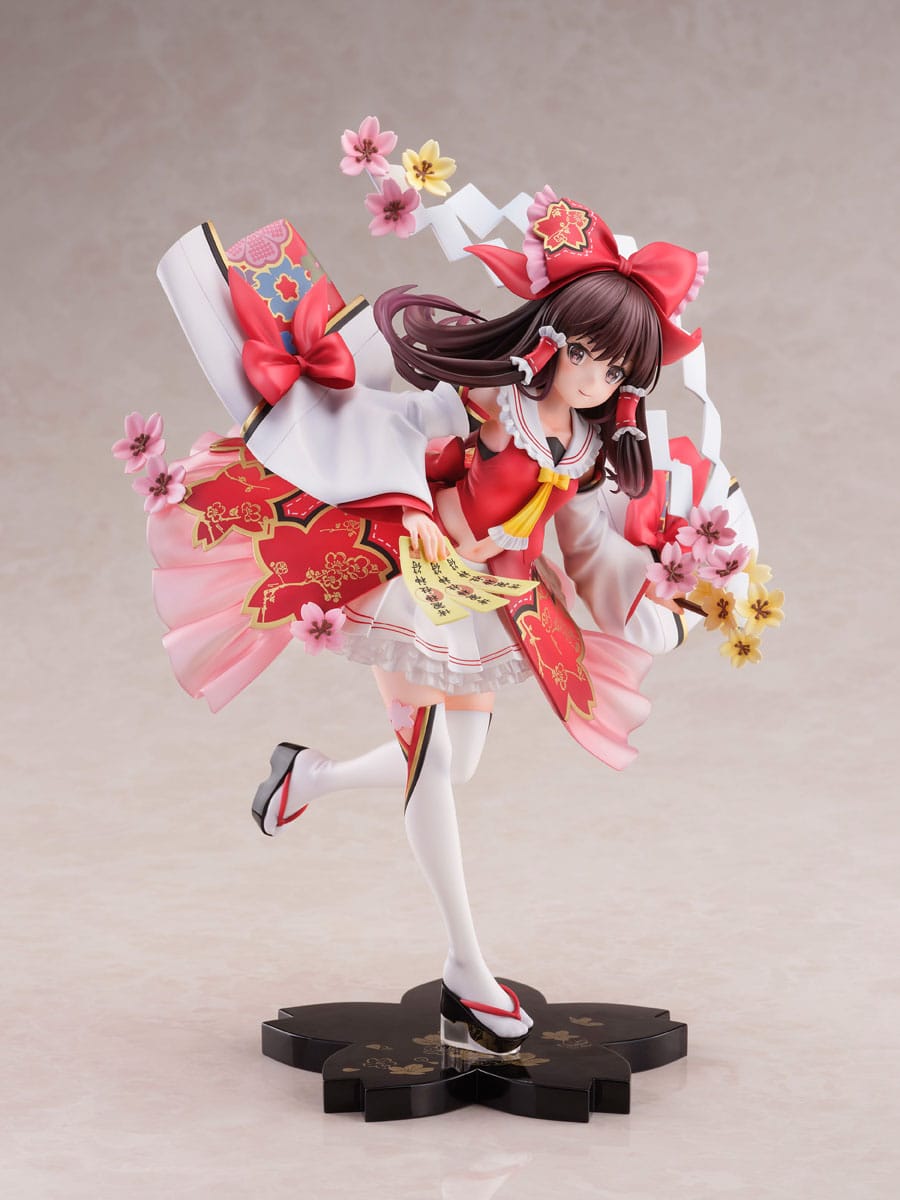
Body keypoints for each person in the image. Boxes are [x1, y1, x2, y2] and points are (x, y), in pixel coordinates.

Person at [146, 188, 708, 1055]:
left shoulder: (585, 448)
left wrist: (659, 599)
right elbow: (398, 428)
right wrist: (413, 509)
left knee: (456, 763)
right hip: (413, 578)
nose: (596, 376)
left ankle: (308, 777)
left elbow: (588, 551)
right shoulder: (491, 402)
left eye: (615, 367)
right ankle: (467, 970)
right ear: (553, 337)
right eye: (585, 352)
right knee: (435, 760)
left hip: (488, 604)